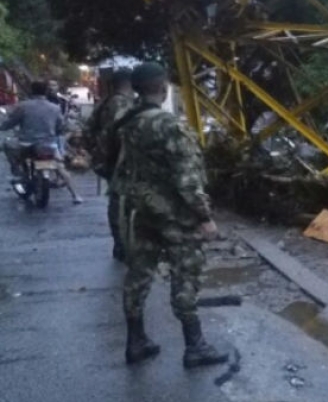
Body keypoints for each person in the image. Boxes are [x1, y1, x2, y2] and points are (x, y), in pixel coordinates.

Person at [111, 62, 228, 368]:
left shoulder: (127, 121)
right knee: (185, 274)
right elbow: (187, 179)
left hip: (140, 210)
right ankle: (195, 346)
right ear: (163, 88)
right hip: (175, 216)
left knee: (138, 274)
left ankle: (136, 341)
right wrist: (205, 217)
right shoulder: (169, 125)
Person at [0, 80, 84, 204]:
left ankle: (17, 171)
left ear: (31, 91)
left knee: (7, 145)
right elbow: (61, 127)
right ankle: (76, 195)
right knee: (60, 168)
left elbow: (11, 122)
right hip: (48, 145)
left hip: (26, 144)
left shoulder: (23, 106)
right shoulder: (55, 108)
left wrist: (2, 127)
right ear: (46, 91)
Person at [85, 68, 137, 260]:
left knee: (117, 203)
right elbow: (125, 135)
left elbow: (88, 131)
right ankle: (124, 245)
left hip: (108, 161)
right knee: (123, 204)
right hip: (121, 162)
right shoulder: (122, 104)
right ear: (130, 83)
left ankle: (121, 244)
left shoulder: (103, 103)